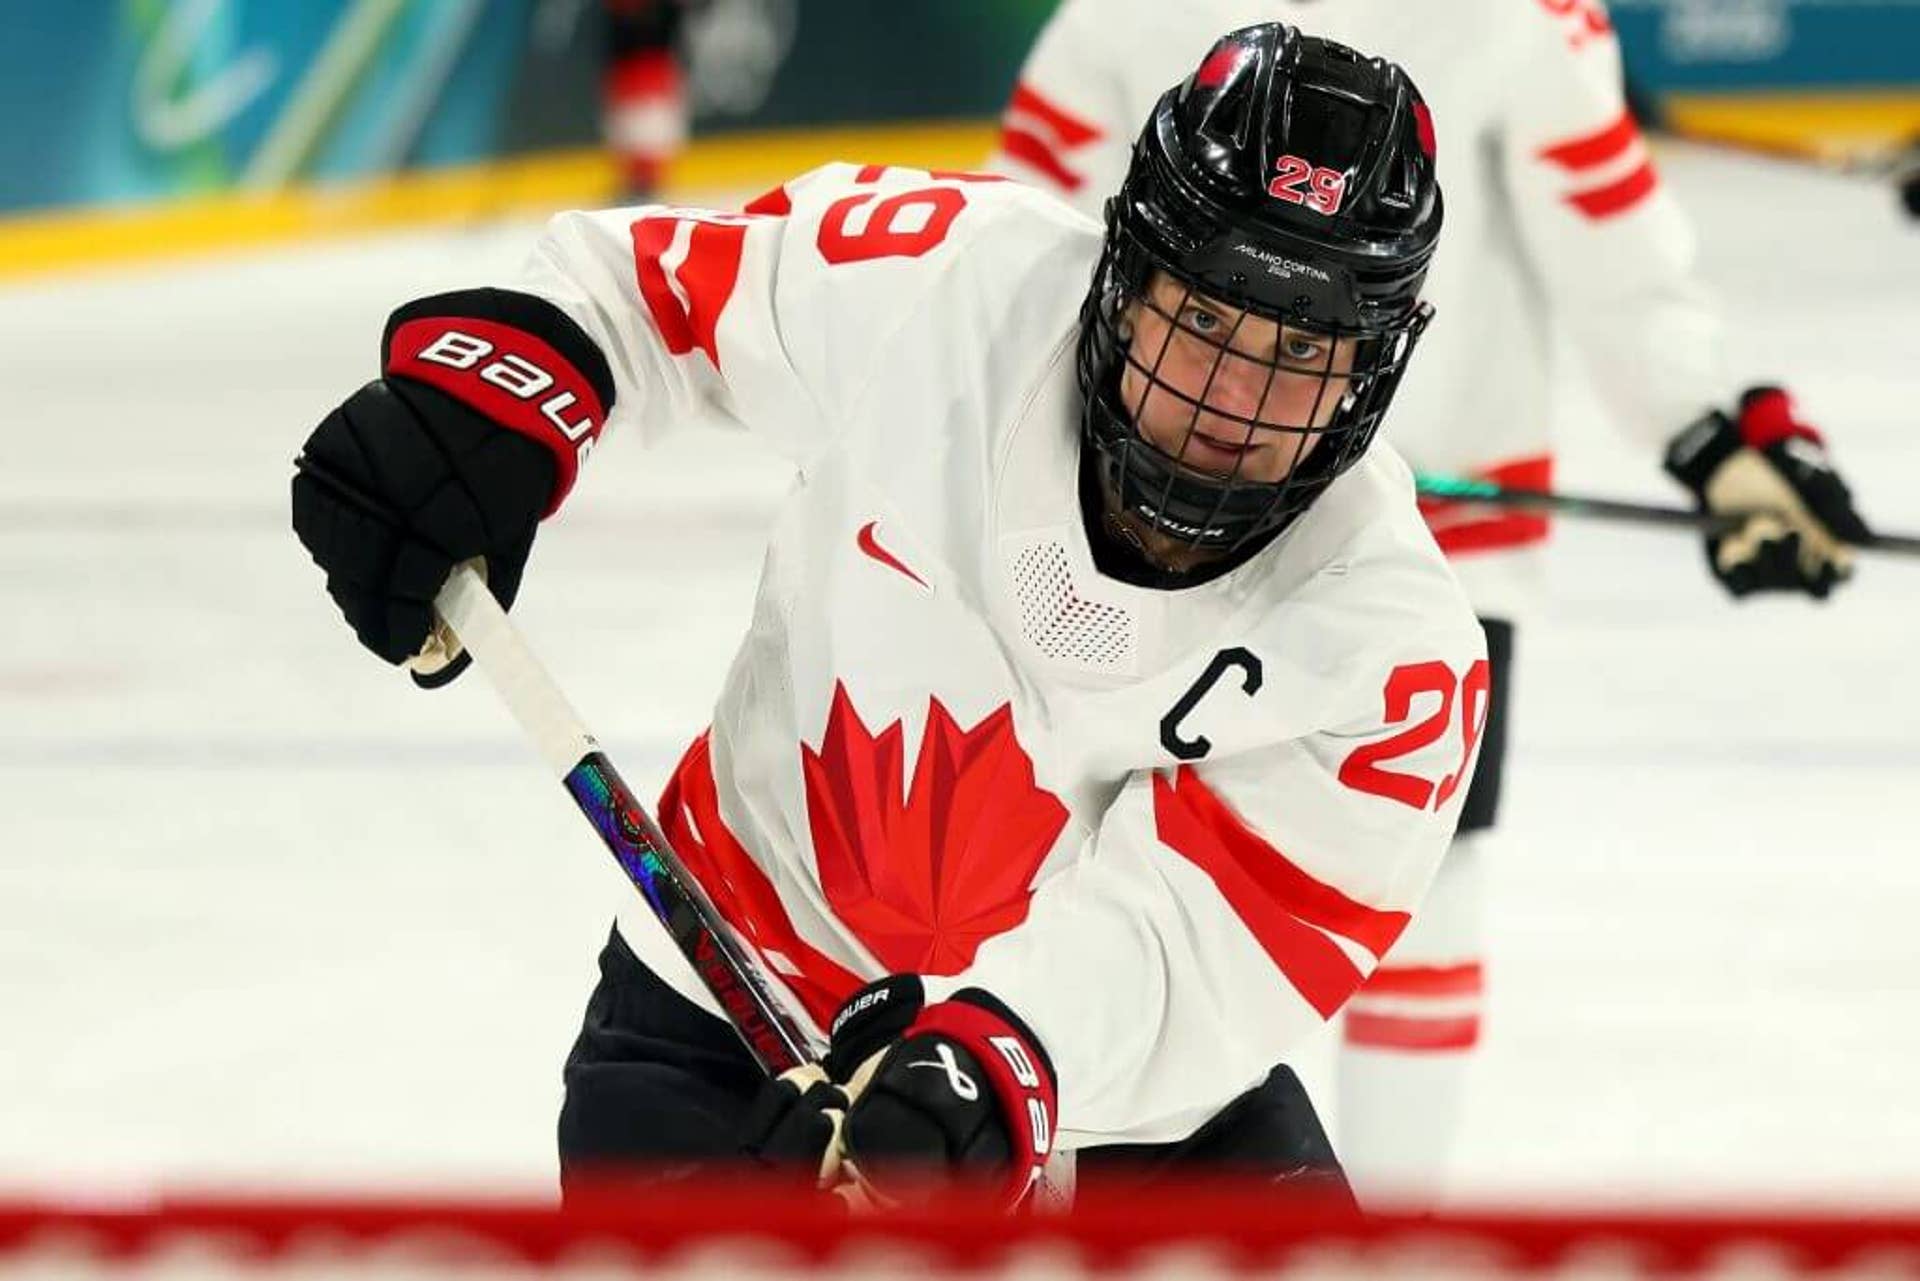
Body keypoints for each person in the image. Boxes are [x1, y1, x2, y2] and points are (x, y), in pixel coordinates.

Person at [290, 25, 1487, 1210]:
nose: (1233, 396)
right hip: (729, 1011)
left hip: (1116, 1111)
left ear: (1374, 366)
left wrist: (1005, 1054)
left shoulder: (1392, 653)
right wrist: (503, 388)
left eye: (1301, 347)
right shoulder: (953, 283)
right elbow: (642, 290)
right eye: (1210, 318)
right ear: (1130, 270)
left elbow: (1202, 952)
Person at [989, 0, 1873, 1202]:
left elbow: (1616, 261)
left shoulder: (1517, 19)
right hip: (1138, 519)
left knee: (1411, 918)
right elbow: (1000, 247)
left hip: (1415, 571)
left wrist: (1720, 439)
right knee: (1083, 904)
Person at [601, 0, 692, 200]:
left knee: (648, 133)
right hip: (631, 67)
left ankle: (645, 186)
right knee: (633, 132)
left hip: (653, 66)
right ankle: (638, 185)